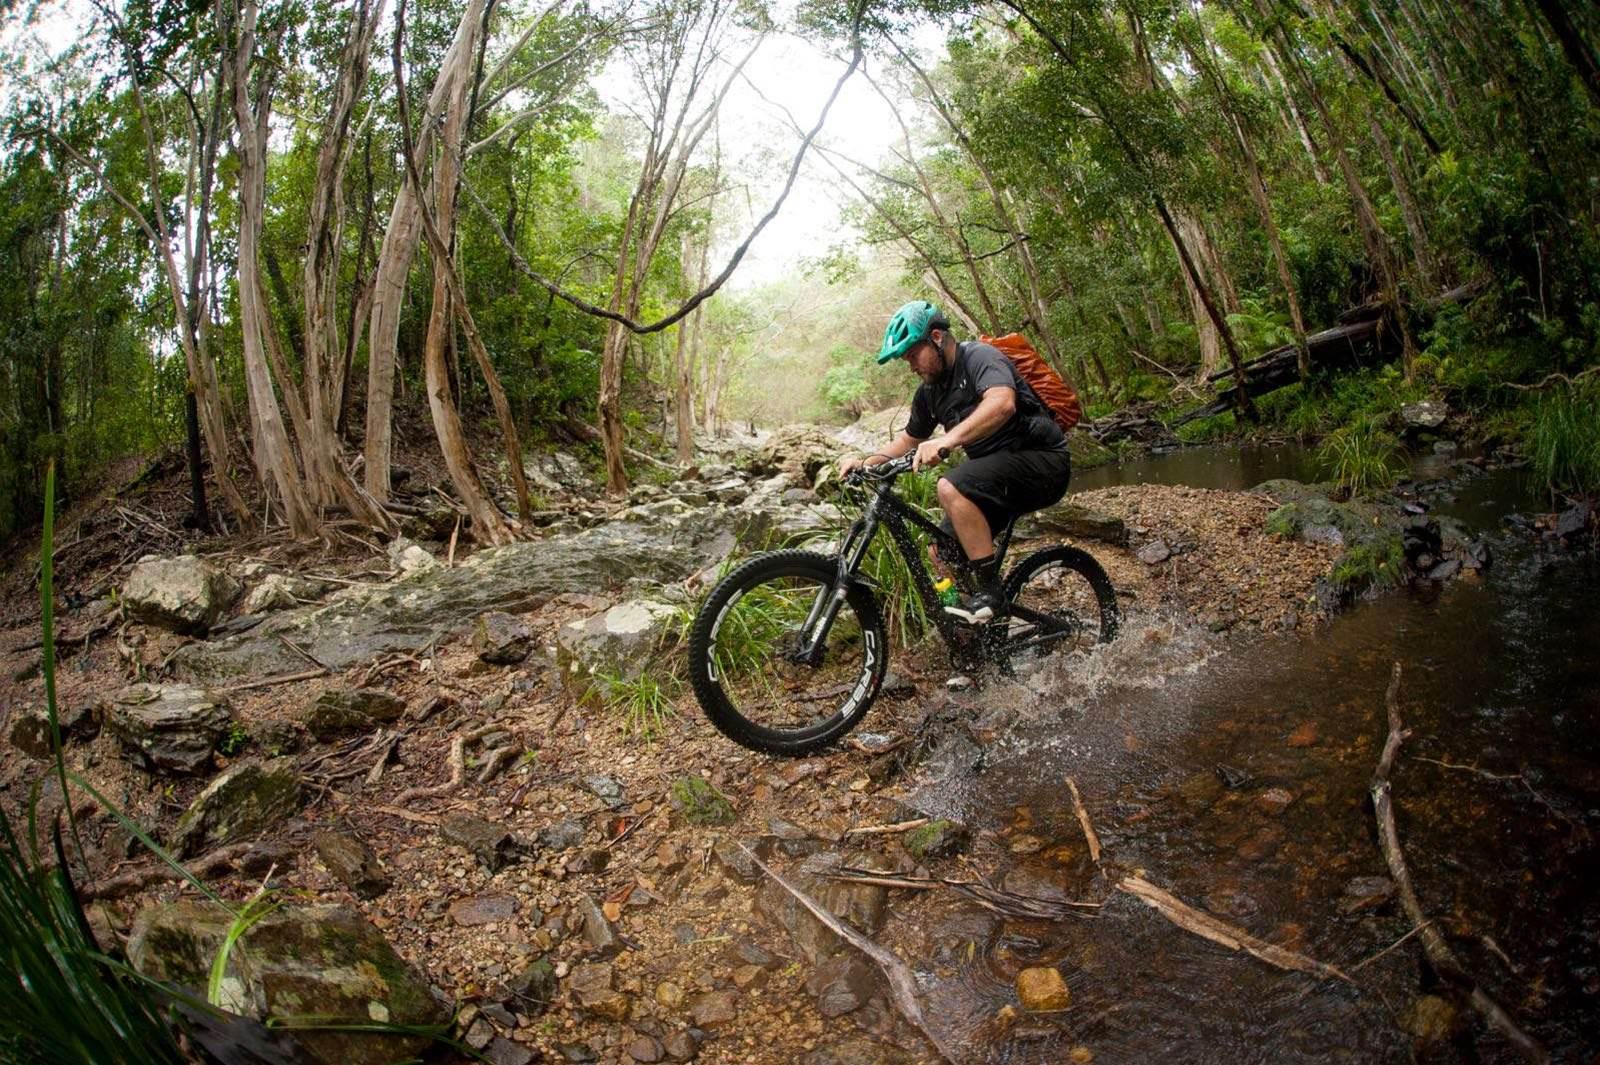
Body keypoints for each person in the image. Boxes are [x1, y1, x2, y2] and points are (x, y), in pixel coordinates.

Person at [838, 300, 1073, 623]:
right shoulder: (929, 393)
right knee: (942, 553)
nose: (911, 366)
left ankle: (991, 594)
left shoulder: (979, 357)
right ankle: (975, 631)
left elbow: (1002, 403)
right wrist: (866, 462)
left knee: (950, 486)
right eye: (905, 360)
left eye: (912, 355)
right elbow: (908, 439)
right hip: (996, 479)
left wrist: (947, 440)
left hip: (1043, 461)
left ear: (936, 337)